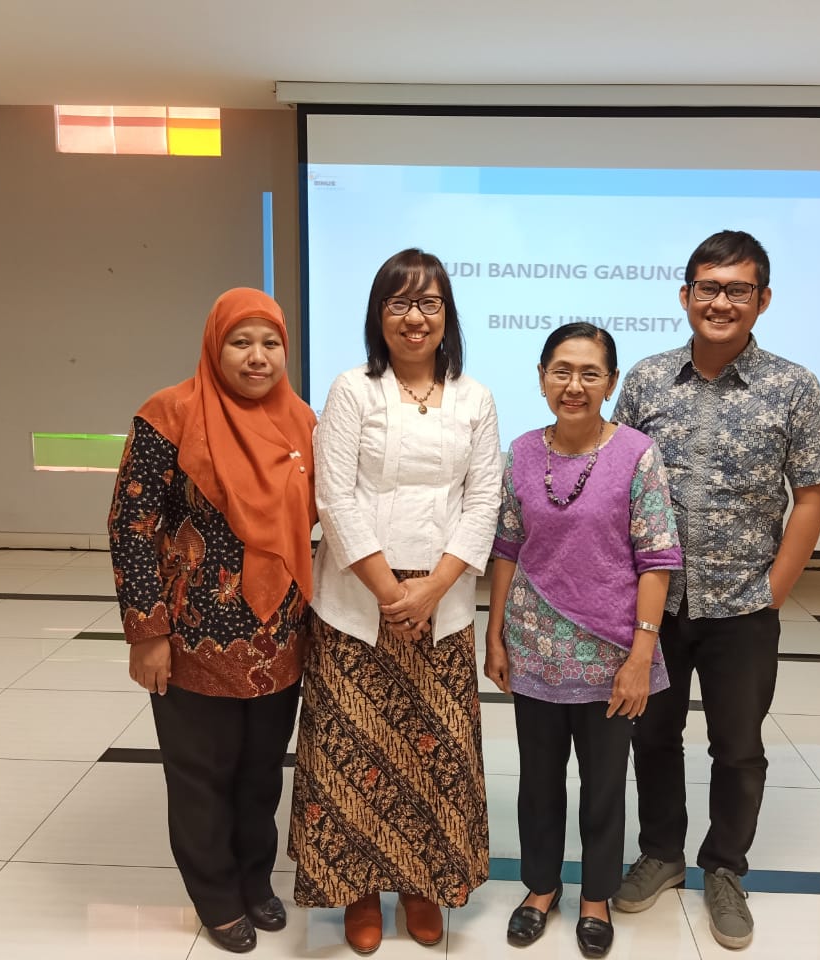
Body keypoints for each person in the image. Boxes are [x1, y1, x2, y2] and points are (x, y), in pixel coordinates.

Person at [610, 231, 820, 949]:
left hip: (743, 604)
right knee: (652, 734)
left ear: (762, 300)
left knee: (738, 747)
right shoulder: (646, 380)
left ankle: (726, 868)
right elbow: (617, 483)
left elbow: (813, 494)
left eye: (738, 290)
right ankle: (660, 854)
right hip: (656, 604)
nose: (721, 302)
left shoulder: (793, 386)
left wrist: (774, 589)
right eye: (708, 288)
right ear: (685, 295)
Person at [289, 249, 502, 954]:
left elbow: (483, 502)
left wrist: (432, 589)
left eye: (429, 303)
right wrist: (389, 593)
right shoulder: (353, 389)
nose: (415, 317)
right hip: (358, 599)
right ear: (379, 316)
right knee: (353, 748)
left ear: (447, 315)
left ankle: (421, 881)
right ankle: (355, 886)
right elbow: (335, 497)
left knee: (432, 750)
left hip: (442, 602)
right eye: (399, 303)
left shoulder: (475, 397)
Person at [108, 288, 317, 954]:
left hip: (279, 634)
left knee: (261, 772)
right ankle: (216, 895)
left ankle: (254, 880)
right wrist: (147, 633)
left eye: (270, 343)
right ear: (214, 345)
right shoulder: (169, 415)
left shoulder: (302, 422)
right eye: (240, 342)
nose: (258, 357)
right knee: (200, 774)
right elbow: (131, 526)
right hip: (192, 633)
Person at [485, 323, 682, 959]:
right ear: (542, 377)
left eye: (590, 373)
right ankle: (540, 888)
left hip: (611, 654)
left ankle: (596, 897)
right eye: (561, 371)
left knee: (603, 785)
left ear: (611, 382)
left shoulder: (638, 454)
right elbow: (507, 547)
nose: (574, 385)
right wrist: (495, 633)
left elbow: (658, 559)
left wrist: (641, 656)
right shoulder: (520, 451)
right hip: (534, 647)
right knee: (538, 780)